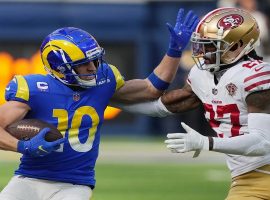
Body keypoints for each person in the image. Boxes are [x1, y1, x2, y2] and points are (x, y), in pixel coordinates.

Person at [0, 8, 199, 200]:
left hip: (74, 184)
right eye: (84, 63)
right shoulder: (34, 88)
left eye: (95, 61)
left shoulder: (104, 80)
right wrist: (22, 146)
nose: (93, 68)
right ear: (60, 67)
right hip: (27, 178)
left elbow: (151, 88)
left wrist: (174, 51)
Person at [120, 7, 270, 200]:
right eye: (202, 44)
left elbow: (263, 142)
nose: (203, 52)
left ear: (238, 46)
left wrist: (205, 142)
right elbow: (159, 107)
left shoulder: (257, 75)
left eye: (212, 45)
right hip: (247, 178)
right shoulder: (202, 75)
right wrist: (105, 100)